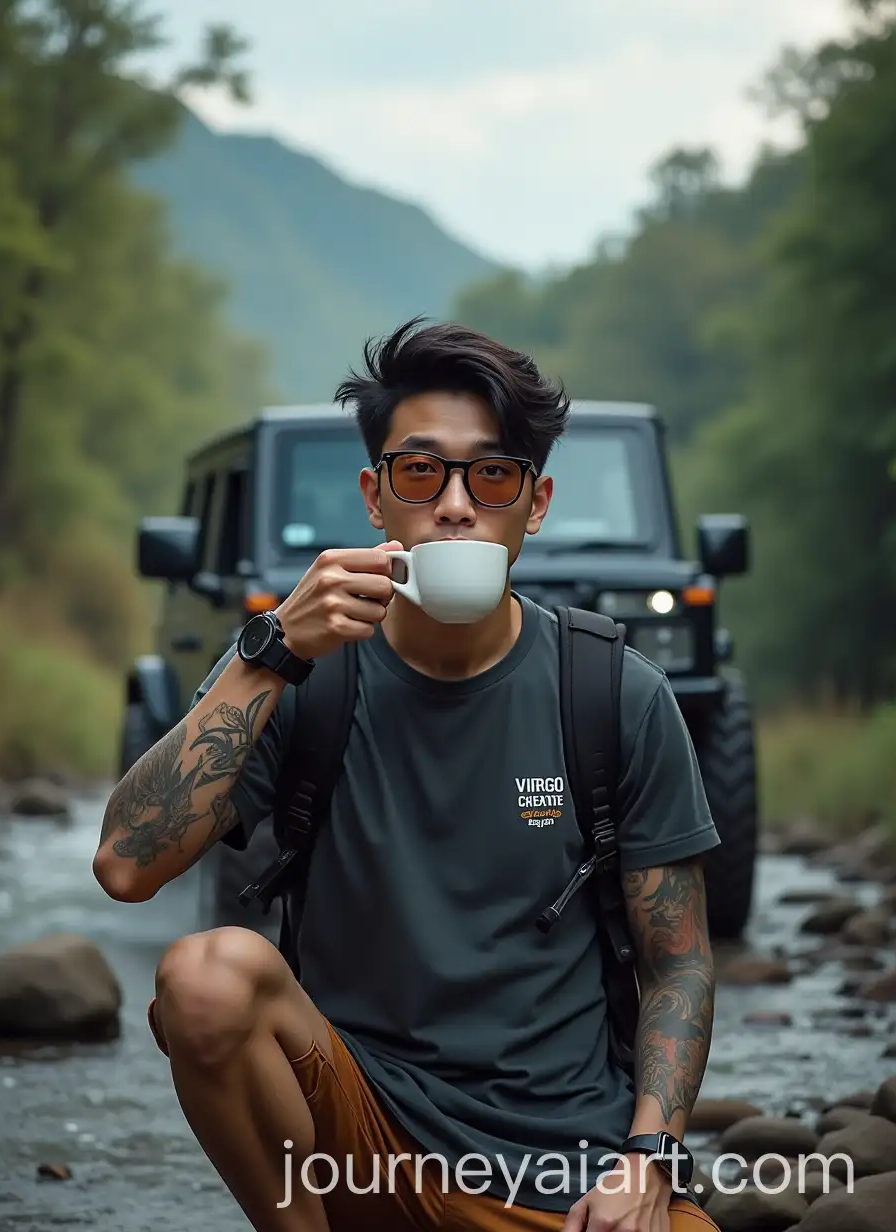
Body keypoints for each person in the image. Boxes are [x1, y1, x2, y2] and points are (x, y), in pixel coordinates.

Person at [93, 319, 721, 1232]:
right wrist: (267, 654)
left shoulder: (613, 694)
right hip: (361, 1142)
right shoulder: (297, 674)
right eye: (421, 471)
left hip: (565, 1167)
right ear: (376, 497)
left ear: (534, 504)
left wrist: (648, 1158)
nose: (457, 506)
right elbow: (124, 865)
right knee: (208, 974)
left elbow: (681, 965)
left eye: (492, 474)